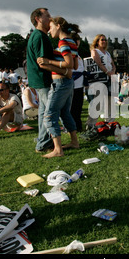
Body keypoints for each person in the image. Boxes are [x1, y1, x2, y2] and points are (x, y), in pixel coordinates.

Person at [36, 17, 80, 158]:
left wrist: (48, 62)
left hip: (60, 84)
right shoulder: (72, 42)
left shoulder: (63, 42)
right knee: (65, 113)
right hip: (68, 83)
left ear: (58, 25)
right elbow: (76, 64)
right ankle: (74, 142)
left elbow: (70, 64)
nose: (49, 31)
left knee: (48, 116)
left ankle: (57, 150)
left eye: (51, 27)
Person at [26, 8, 54, 152]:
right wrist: (62, 70)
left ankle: (43, 141)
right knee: (49, 111)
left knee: (44, 112)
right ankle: (43, 143)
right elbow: (43, 62)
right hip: (43, 79)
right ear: (38, 18)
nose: (50, 18)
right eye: (47, 16)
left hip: (39, 79)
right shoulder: (40, 36)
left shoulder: (38, 35)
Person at [85, 34, 117, 130]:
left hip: (109, 79)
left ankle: (111, 123)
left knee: (110, 102)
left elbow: (112, 64)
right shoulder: (95, 51)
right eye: (102, 40)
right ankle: (91, 124)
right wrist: (108, 72)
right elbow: (98, 63)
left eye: (105, 40)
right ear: (97, 41)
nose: (104, 41)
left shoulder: (107, 53)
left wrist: (113, 72)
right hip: (99, 79)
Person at [71, 36, 86, 133]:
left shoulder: (77, 54)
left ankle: (78, 126)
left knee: (78, 107)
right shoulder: (71, 53)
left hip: (79, 84)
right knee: (73, 107)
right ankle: (74, 127)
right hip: (74, 84)